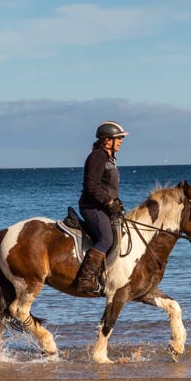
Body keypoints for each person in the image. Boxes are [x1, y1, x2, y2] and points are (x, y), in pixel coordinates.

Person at [74, 121, 128, 295]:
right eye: (118, 138)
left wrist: (116, 202)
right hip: (92, 207)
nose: (121, 141)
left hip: (103, 206)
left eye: (121, 138)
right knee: (106, 239)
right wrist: (109, 202)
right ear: (107, 140)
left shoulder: (109, 159)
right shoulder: (97, 157)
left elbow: (107, 186)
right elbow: (92, 186)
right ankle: (84, 280)